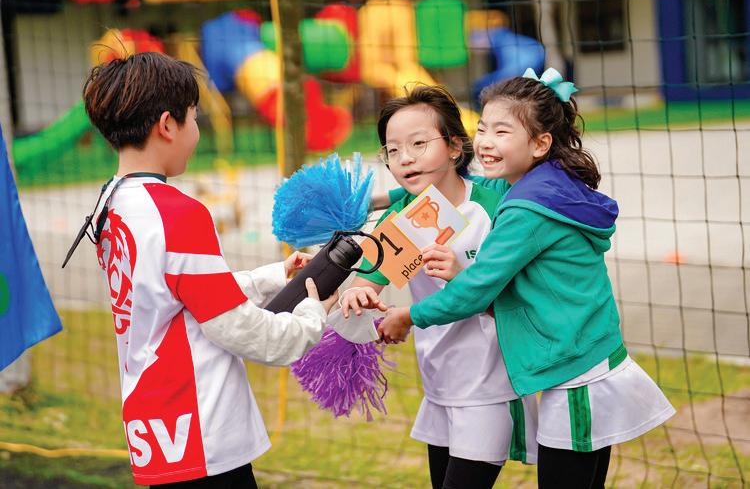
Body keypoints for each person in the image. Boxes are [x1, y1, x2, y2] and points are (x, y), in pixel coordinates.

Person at [378, 69, 675, 488]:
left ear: (540, 144)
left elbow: (475, 290)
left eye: (502, 131)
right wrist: (381, 198)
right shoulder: (545, 185)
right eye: (483, 128)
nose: (486, 141)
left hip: (574, 374)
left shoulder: (523, 210)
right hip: (581, 360)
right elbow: (448, 191)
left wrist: (407, 316)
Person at [82, 52, 337, 487]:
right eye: (195, 118)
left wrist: (274, 275)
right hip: (202, 429)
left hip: (154, 423)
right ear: (168, 125)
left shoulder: (111, 203)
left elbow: (175, 295)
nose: (197, 131)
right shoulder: (178, 213)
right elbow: (240, 329)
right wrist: (312, 316)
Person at [339, 85, 538, 489]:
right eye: (393, 150)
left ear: (454, 147)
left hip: (490, 386)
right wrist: (356, 293)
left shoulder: (496, 205)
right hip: (439, 385)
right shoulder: (403, 219)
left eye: (418, 143)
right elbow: (366, 281)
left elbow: (517, 296)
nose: (405, 158)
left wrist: (462, 275)